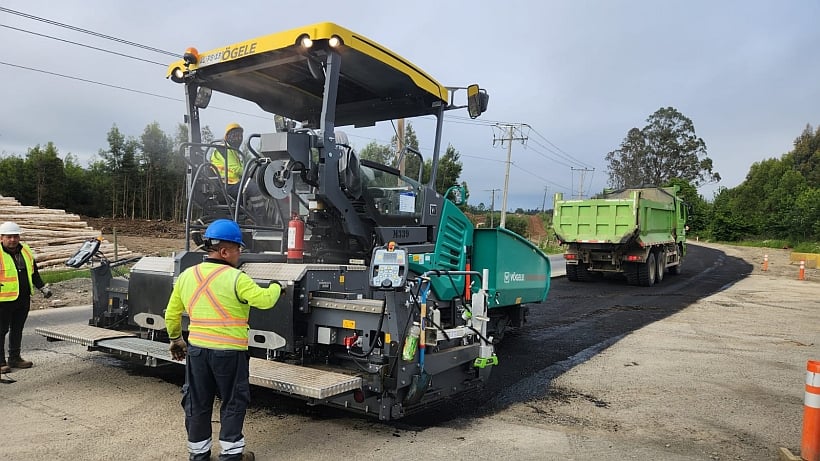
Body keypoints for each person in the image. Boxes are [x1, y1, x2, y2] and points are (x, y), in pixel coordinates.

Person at [164, 219, 284, 461]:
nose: (240, 254)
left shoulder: (187, 275)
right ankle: (230, 456)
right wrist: (276, 286)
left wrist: (176, 339)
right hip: (229, 354)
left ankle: (198, 456)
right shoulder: (237, 278)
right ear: (225, 251)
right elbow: (265, 300)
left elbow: (171, 313)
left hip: (197, 352)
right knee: (232, 402)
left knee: (197, 403)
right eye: (239, 249)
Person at [0, 221, 52, 373]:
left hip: (22, 298)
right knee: (1, 331)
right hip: (3, 300)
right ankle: (0, 362)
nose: (13, 240)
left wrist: (42, 287)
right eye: (9, 237)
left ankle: (15, 358)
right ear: (1, 238)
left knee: (17, 329)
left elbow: (34, 272)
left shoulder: (26, 251)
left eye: (15, 236)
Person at [211, 123, 245, 199]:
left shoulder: (234, 152)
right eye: (235, 136)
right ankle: (260, 211)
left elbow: (241, 169)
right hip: (226, 184)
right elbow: (236, 169)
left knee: (253, 186)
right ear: (227, 137)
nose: (238, 138)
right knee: (253, 189)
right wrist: (251, 173)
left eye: (240, 136)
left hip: (234, 183)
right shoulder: (223, 149)